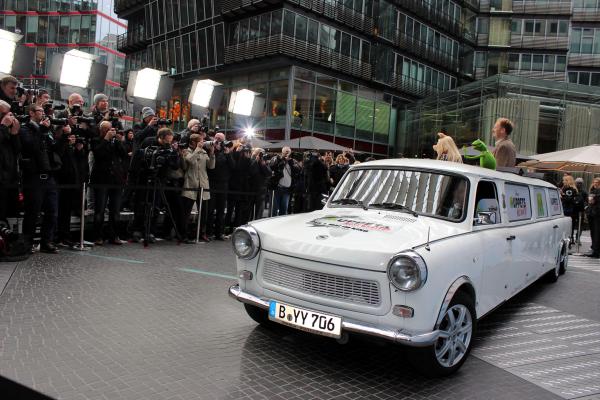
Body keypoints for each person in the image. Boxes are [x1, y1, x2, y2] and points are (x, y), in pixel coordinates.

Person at [19, 104, 61, 253]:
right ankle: (27, 243)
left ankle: (46, 242)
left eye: (44, 111)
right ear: (31, 113)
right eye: (39, 111)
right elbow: (30, 147)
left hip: (49, 176)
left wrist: (60, 136)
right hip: (34, 177)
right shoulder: (25, 129)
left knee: (52, 211)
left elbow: (53, 148)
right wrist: (42, 130)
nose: (43, 114)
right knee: (32, 212)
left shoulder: (46, 129)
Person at [90, 121, 128, 245]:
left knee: (115, 210)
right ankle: (97, 236)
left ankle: (114, 235)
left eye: (110, 129)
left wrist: (118, 140)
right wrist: (106, 139)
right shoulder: (96, 140)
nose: (109, 131)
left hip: (116, 180)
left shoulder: (115, 141)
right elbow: (98, 153)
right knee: (100, 210)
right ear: (101, 130)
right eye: (106, 129)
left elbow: (124, 154)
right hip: (101, 179)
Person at [181, 133, 215, 242]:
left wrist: (212, 153)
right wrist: (197, 149)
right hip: (191, 184)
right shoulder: (186, 151)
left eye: (202, 141)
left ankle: (201, 233)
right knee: (186, 212)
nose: (202, 142)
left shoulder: (204, 152)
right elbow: (190, 161)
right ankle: (184, 234)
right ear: (193, 142)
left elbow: (211, 166)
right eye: (200, 141)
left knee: (204, 212)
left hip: (203, 185)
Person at [207, 132, 235, 240]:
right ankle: (209, 233)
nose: (218, 140)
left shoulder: (226, 152)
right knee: (210, 209)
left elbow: (233, 166)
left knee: (221, 210)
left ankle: (219, 233)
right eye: (217, 138)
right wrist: (214, 151)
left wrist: (228, 154)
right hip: (212, 183)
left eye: (221, 139)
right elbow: (210, 166)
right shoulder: (210, 148)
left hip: (223, 184)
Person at [0, 100, 21, 224]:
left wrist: (14, 134)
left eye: (8, 114)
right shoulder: (2, 129)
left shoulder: (6, 131)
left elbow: (17, 151)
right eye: (3, 114)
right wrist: (3, 127)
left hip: (9, 180)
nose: (7, 118)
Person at [269, 146, 300, 216]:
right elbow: (272, 166)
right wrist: (281, 160)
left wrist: (290, 162)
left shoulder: (293, 161)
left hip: (287, 190)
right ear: (282, 152)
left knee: (283, 210)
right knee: (273, 210)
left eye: (288, 152)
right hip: (276, 188)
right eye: (285, 152)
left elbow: (298, 171)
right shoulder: (276, 159)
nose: (286, 154)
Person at [248, 148, 272, 220]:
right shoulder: (251, 160)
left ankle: (257, 225)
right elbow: (251, 172)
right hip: (251, 189)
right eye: (259, 153)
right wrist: (256, 161)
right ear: (255, 153)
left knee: (259, 212)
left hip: (261, 190)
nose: (261, 155)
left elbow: (269, 173)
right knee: (249, 211)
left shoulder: (264, 162)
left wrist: (263, 164)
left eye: (262, 153)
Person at [560, 175, 583, 246]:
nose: (563, 181)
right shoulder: (569, 188)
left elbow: (569, 199)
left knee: (569, 226)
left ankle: (569, 241)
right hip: (569, 210)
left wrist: (562, 195)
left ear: (567, 181)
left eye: (564, 180)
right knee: (570, 226)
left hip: (568, 210)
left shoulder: (569, 189)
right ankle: (570, 239)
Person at [586, 177, 600, 258]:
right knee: (593, 232)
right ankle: (595, 249)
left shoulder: (597, 192)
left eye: (597, 182)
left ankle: (596, 250)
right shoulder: (592, 190)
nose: (595, 183)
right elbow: (589, 201)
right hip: (592, 213)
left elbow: (592, 201)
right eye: (594, 182)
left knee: (596, 232)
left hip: (597, 214)